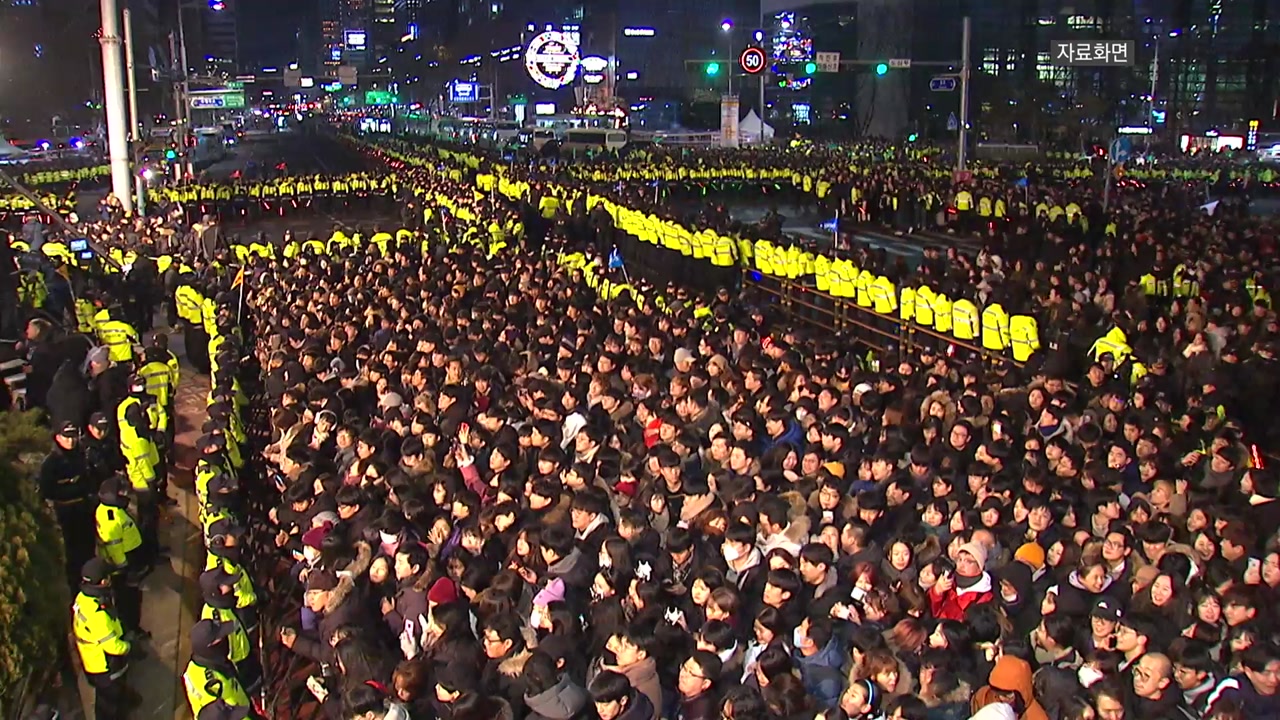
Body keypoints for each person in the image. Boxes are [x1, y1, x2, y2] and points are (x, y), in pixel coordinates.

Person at [72, 557, 135, 720]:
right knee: (108, 705)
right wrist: (128, 646)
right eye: (107, 577)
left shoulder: (83, 597)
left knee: (108, 697)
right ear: (101, 582)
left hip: (91, 661)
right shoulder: (98, 614)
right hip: (105, 665)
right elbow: (112, 646)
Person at [39, 420, 96, 592]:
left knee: (88, 549)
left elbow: (89, 479)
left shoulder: (81, 455)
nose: (70, 441)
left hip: (84, 509)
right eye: (66, 437)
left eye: (73, 437)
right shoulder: (52, 463)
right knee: (72, 555)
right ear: (57, 437)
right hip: (65, 512)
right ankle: (75, 590)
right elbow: (47, 490)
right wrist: (72, 488)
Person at [183, 619, 251, 718]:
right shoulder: (213, 685)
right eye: (220, 638)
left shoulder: (194, 668)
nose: (225, 638)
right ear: (209, 647)